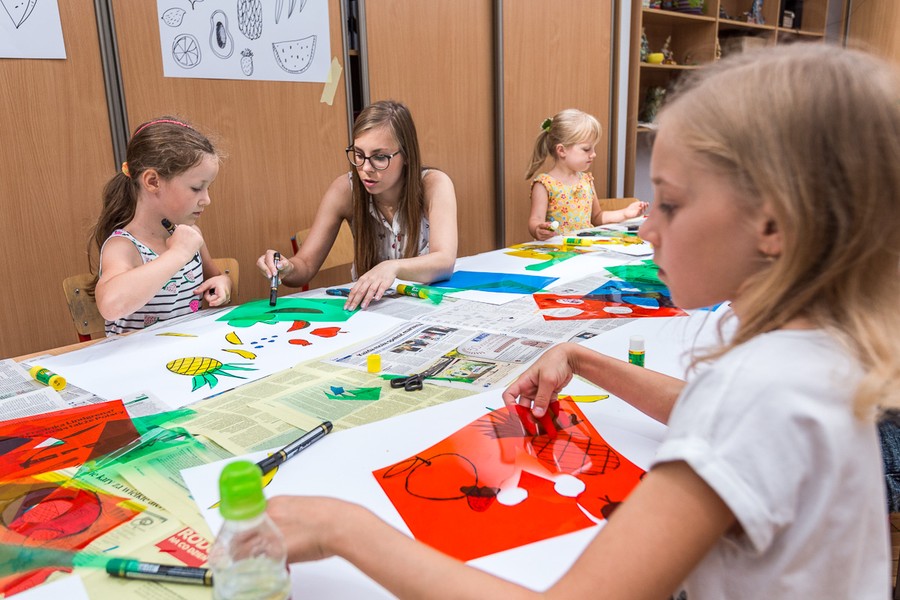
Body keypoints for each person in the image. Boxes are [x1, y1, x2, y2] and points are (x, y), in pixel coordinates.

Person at [266, 44, 899, 598]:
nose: (645, 226)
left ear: (775, 225)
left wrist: (342, 528)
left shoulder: (756, 392)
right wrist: (588, 358)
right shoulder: (815, 345)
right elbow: (705, 407)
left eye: (671, 204)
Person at [257, 100, 458, 311]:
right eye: (359, 155)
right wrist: (286, 268)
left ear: (407, 155)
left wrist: (392, 268)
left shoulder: (433, 184)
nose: (365, 168)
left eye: (380, 157)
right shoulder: (345, 190)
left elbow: (444, 261)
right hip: (371, 312)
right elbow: (305, 266)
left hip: (426, 307)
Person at [89, 117, 232, 336]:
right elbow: (110, 306)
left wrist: (223, 283)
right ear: (153, 182)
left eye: (207, 188)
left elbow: (215, 277)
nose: (206, 199)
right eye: (196, 188)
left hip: (185, 355)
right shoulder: (123, 246)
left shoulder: (190, 235)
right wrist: (179, 253)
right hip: (134, 362)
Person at [526, 109, 647, 240]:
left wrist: (625, 213)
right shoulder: (544, 184)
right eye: (586, 149)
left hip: (584, 250)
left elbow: (597, 217)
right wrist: (538, 229)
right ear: (561, 150)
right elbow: (535, 220)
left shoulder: (586, 180)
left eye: (593, 148)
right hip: (557, 253)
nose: (593, 154)